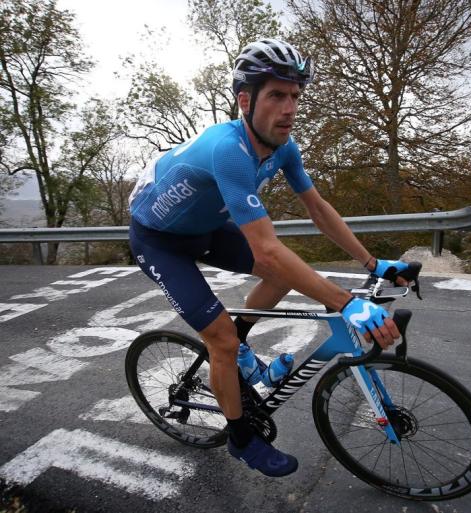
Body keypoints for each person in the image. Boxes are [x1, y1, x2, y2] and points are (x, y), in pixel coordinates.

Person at [128, 38, 410, 477]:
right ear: (246, 100)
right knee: (219, 338)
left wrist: (371, 264)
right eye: (277, 95)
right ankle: (242, 437)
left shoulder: (284, 147)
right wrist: (347, 303)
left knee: (281, 278)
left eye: (295, 96)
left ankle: (239, 347)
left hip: (202, 229)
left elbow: (318, 209)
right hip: (159, 241)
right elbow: (267, 248)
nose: (290, 107)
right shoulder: (228, 149)